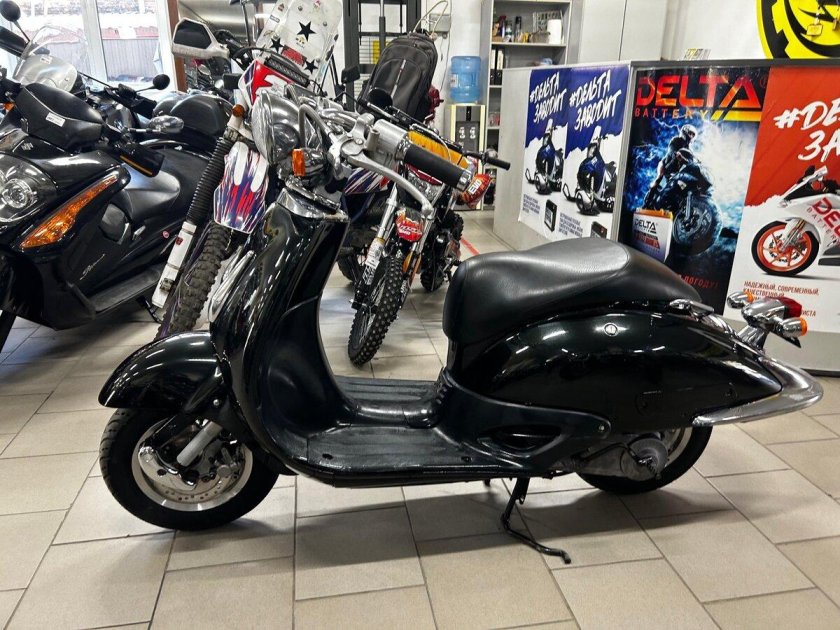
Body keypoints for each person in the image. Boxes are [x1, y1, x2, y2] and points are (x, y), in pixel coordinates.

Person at [644, 123, 697, 206]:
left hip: (676, 170)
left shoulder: (689, 149)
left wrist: (696, 163)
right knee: (659, 178)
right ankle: (648, 202)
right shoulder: (676, 140)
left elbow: (692, 160)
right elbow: (671, 150)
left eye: (693, 135)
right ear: (685, 132)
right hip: (665, 164)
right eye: (690, 133)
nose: (691, 136)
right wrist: (676, 154)